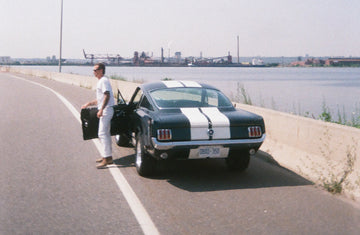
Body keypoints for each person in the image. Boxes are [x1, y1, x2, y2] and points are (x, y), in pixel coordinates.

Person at [81, 63, 115, 169]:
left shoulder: (103, 81)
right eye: (93, 70)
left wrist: (101, 109)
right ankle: (107, 157)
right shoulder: (101, 81)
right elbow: (100, 99)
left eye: (96, 70)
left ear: (101, 70)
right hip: (106, 109)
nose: (94, 72)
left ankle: (106, 157)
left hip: (106, 110)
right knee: (105, 133)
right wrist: (89, 103)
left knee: (102, 133)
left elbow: (107, 95)